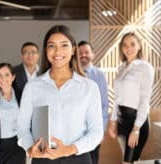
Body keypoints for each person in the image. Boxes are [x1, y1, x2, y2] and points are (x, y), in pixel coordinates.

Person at [17, 25, 104, 164]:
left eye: (64, 45)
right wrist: (29, 148)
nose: (58, 51)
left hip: (78, 158)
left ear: (73, 49)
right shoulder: (33, 87)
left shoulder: (89, 87)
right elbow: (22, 127)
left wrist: (68, 149)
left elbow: (96, 132)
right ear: (46, 50)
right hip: (43, 159)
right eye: (52, 46)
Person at [108, 32, 154, 164]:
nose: (128, 48)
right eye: (125, 45)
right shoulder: (122, 68)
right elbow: (117, 99)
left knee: (128, 161)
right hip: (122, 122)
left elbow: (145, 100)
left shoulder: (145, 68)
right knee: (132, 160)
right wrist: (113, 121)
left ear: (139, 45)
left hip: (136, 122)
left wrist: (136, 129)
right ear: (121, 48)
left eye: (132, 44)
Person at [78, 40, 109, 164]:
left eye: (86, 52)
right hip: (76, 131)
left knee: (93, 160)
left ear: (93, 54)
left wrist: (101, 130)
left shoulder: (99, 75)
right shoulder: (71, 75)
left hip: (93, 128)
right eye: (80, 53)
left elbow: (104, 104)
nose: (83, 55)